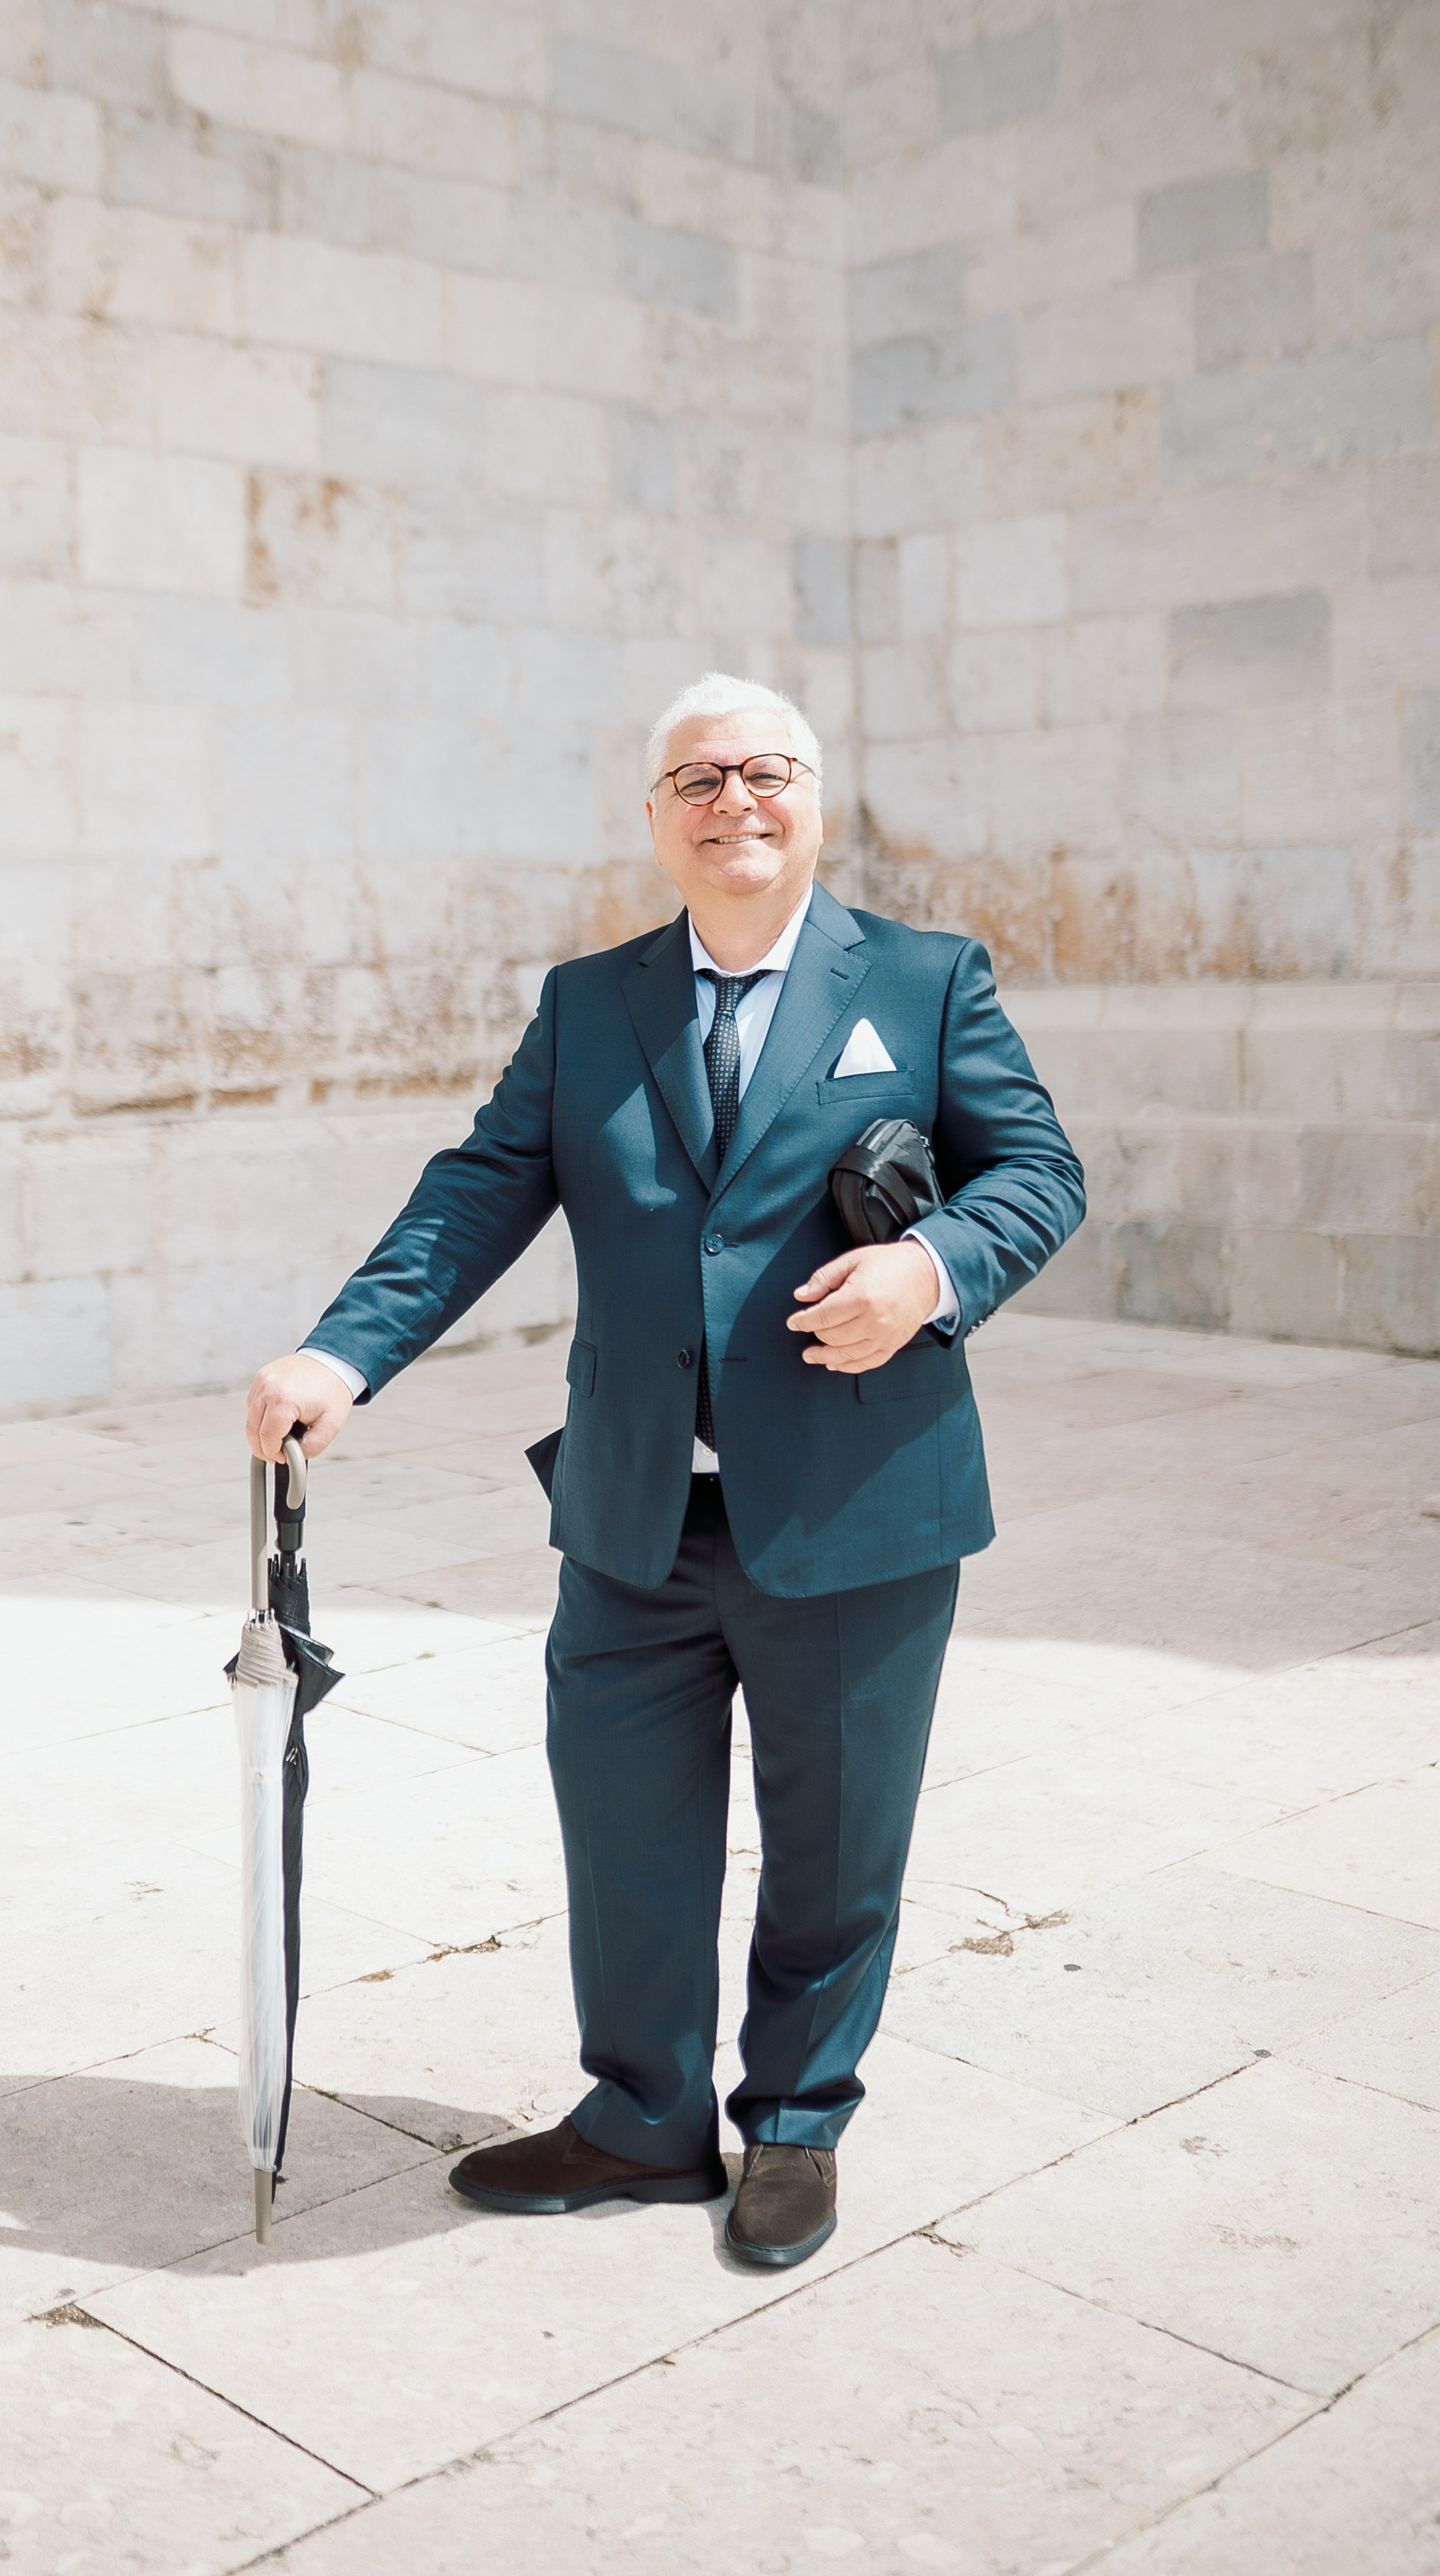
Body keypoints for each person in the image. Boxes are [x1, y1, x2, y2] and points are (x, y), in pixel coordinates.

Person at [246, 672, 1085, 2268]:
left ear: (814, 799)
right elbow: (478, 1190)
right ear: (653, 820)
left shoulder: (919, 979)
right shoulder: (587, 1005)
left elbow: (1036, 1169)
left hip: (854, 1504)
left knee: (836, 1845)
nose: (732, 801)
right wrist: (340, 1352)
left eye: (763, 771)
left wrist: (929, 1268)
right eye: (695, 780)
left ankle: (793, 2123)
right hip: (635, 1509)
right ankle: (639, 2118)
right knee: (624, 1832)